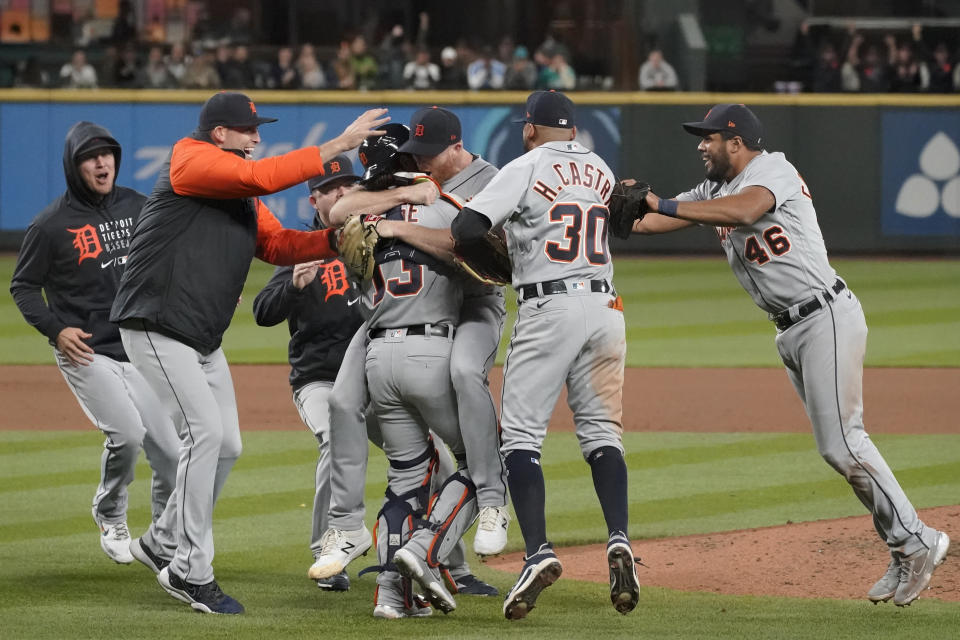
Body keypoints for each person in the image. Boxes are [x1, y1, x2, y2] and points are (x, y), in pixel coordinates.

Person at [630, 103, 950, 607]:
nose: (700, 145)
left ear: (735, 142)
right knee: (837, 448)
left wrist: (661, 205)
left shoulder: (770, 169)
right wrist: (604, 205)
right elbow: (651, 220)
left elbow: (743, 211)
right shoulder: (712, 189)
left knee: (845, 443)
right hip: (791, 330)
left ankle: (918, 542)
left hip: (826, 316)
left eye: (708, 138)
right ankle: (902, 545)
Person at [109, 91, 389, 615]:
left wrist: (338, 238)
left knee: (228, 444)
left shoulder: (237, 193)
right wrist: (338, 145)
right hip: (156, 322)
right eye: (249, 130)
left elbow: (280, 245)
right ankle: (190, 571)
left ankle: (159, 541)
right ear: (220, 133)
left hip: (200, 336)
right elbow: (261, 178)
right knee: (205, 433)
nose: (257, 138)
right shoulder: (188, 160)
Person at [449, 90, 640, 620]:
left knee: (521, 439)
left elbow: (466, 229)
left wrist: (496, 246)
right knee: (602, 434)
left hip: (548, 308)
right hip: (606, 307)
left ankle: (537, 553)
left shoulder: (526, 165)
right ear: (573, 129)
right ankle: (619, 541)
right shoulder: (600, 167)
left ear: (531, 128)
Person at [10, 122, 180, 567]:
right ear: (73, 165)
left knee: (170, 454)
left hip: (138, 347)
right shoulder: (50, 226)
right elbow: (23, 286)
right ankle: (110, 512)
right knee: (126, 434)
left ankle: (163, 541)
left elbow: (168, 254)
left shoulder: (137, 205)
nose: (102, 162)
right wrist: (55, 329)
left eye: (107, 154)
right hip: (87, 350)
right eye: (91, 156)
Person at [252, 155, 364, 592]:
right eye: (331, 187)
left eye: (348, 184)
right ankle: (327, 550)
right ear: (314, 198)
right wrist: (292, 286)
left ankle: (442, 558)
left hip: (371, 376)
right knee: (335, 441)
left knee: (434, 454)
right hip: (319, 379)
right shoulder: (302, 245)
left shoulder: (378, 237)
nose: (341, 192)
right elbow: (263, 312)